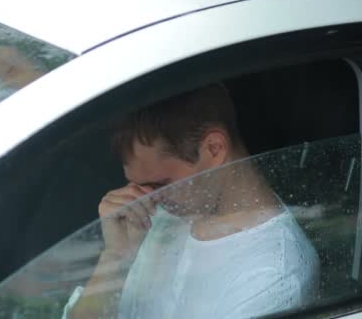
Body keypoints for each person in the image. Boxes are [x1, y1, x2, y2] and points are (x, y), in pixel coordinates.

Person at [65, 83, 319, 318]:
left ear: (214, 149)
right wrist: (115, 257)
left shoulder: (273, 275)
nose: (147, 198)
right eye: (139, 185)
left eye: (159, 185)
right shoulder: (164, 214)